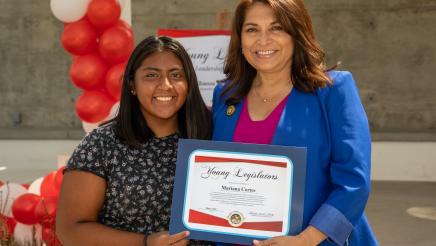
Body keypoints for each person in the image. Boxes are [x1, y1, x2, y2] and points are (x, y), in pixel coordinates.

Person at [212, 0, 378, 245]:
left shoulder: (333, 90)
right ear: (240, 38)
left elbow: (353, 182)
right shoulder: (225, 95)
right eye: (252, 29)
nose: (263, 39)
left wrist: (305, 239)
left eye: (276, 28)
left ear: (297, 33)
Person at [56, 36, 213, 246]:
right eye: (151, 75)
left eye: (176, 75)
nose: (165, 85)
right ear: (132, 84)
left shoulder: (211, 136)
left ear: (188, 83)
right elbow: (70, 230)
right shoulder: (102, 145)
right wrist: (145, 242)